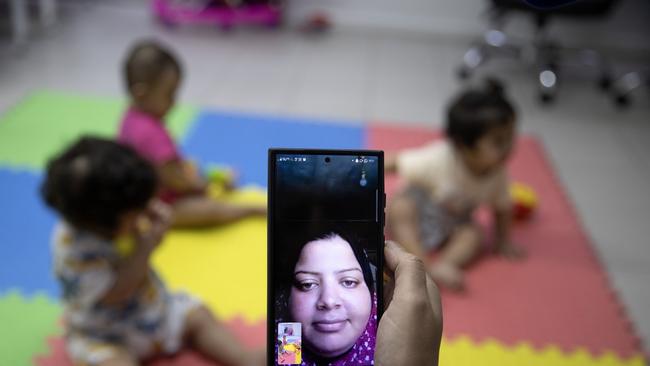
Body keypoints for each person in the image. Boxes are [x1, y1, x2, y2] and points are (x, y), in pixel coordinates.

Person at [41, 136, 264, 366]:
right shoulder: (73, 252)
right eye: (136, 212)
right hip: (104, 334)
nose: (142, 215)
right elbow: (116, 293)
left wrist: (145, 208)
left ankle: (248, 358)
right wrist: (145, 246)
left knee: (199, 315)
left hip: (158, 311)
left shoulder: (109, 218)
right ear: (104, 222)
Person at [386, 79, 525, 291]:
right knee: (400, 209)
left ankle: (444, 264)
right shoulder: (439, 158)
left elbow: (502, 207)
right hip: (419, 210)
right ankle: (420, 264)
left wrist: (503, 241)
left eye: (511, 137)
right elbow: (396, 161)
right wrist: (361, 171)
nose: (509, 147)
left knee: (475, 234)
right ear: (463, 144)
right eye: (498, 141)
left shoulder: (498, 173)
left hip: (452, 222)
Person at [117, 39, 265, 228]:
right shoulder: (152, 134)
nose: (174, 103)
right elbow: (177, 181)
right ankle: (251, 209)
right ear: (141, 94)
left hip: (145, 191)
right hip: (158, 203)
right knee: (211, 210)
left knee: (191, 167)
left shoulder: (129, 117)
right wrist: (203, 187)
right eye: (169, 95)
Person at [275, 228, 377, 365]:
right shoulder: (286, 329)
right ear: (287, 297)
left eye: (348, 282)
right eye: (308, 284)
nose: (329, 301)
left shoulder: (391, 327)